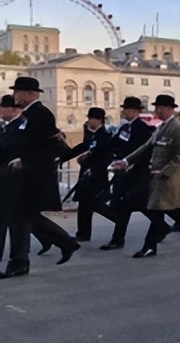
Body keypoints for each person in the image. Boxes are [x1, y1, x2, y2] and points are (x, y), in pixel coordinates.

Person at [111, 95, 180, 258]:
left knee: (156, 210)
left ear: (168, 109)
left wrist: (165, 171)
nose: (156, 111)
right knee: (169, 210)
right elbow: (146, 147)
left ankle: (150, 246)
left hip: (168, 178)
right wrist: (126, 161)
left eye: (159, 108)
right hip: (157, 176)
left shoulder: (178, 128)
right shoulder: (161, 127)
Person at [7, 77, 80, 269]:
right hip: (26, 174)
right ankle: (65, 242)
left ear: (29, 94)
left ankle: (20, 262)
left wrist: (24, 160)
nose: (16, 96)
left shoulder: (41, 114)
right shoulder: (28, 114)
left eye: (18, 93)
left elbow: (43, 147)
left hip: (33, 175)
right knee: (25, 216)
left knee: (21, 216)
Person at [100, 97, 154, 251]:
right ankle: (118, 238)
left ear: (135, 111)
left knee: (132, 203)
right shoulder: (124, 128)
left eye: (127, 109)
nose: (124, 112)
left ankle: (119, 238)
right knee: (126, 205)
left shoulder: (142, 128)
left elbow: (145, 150)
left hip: (136, 172)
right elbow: (114, 143)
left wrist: (133, 163)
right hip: (123, 169)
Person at [59, 107, 115, 241]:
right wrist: (63, 158)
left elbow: (107, 158)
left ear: (99, 120)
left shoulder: (105, 137)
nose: (89, 121)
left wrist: (94, 168)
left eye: (92, 119)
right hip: (86, 175)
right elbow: (82, 147)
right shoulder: (91, 135)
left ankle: (119, 219)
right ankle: (83, 233)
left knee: (96, 205)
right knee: (84, 204)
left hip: (96, 176)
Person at [0, 95, 28, 276]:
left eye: (3, 107)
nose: (0, 111)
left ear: (13, 109)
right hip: (6, 180)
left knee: (18, 223)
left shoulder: (22, 127)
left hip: (14, 180)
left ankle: (19, 261)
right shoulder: (8, 127)